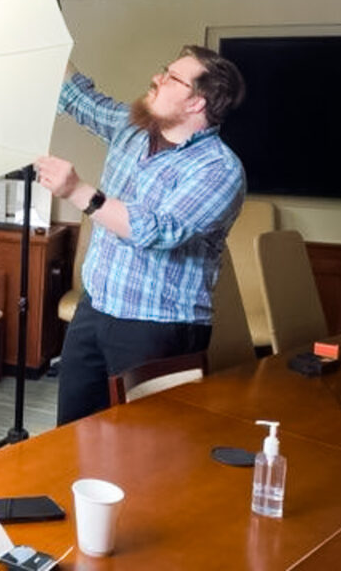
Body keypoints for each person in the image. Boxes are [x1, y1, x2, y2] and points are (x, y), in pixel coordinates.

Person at [36, 45, 246, 425]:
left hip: (158, 329)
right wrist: (50, 25)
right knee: (71, 436)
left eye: (172, 78)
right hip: (94, 309)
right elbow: (78, 97)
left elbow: (157, 230)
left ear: (198, 103)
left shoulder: (220, 169)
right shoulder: (132, 129)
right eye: (163, 69)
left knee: (149, 449)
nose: (156, 78)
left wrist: (77, 191)